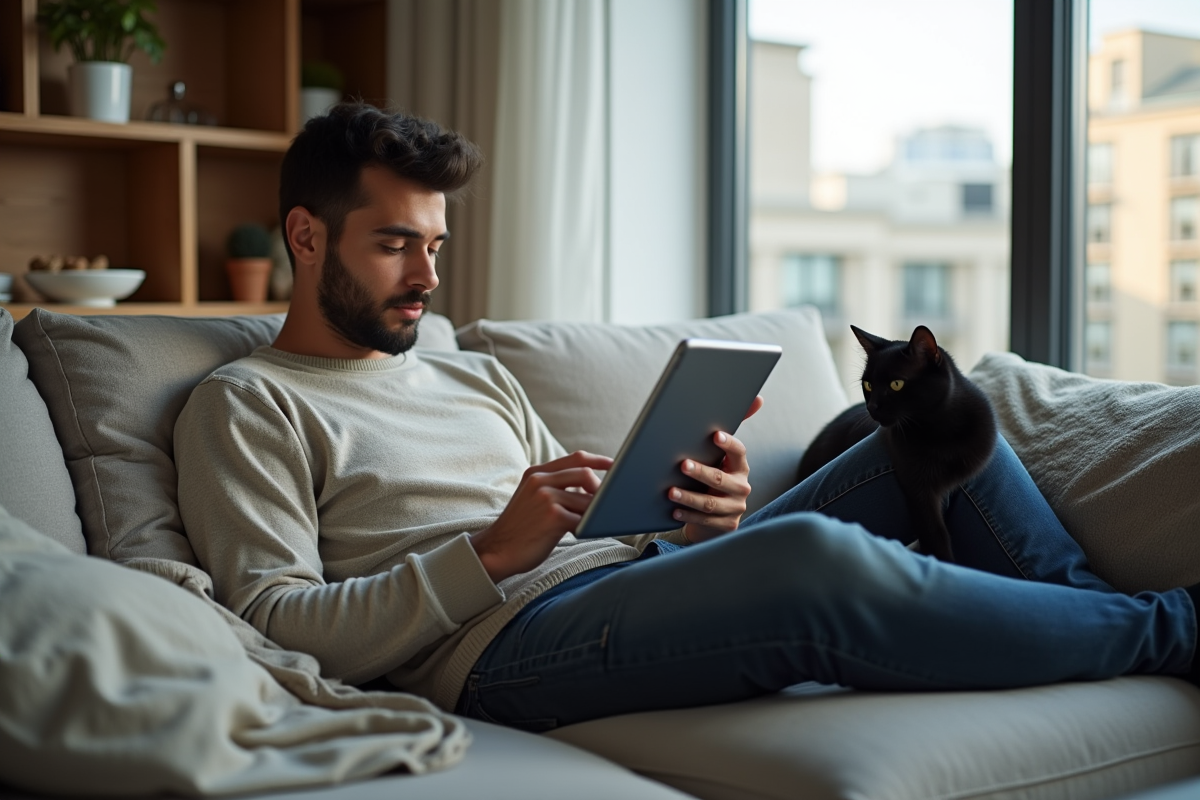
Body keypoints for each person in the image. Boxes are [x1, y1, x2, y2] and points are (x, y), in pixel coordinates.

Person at [174, 103, 1199, 732]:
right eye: (397, 244)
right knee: (809, 558)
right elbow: (275, 626)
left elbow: (591, 527)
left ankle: (1105, 622)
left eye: (435, 246)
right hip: (500, 650)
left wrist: (693, 517)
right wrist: (490, 554)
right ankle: (1172, 624)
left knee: (936, 428)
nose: (427, 277)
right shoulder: (247, 404)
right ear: (304, 238)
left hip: (621, 577)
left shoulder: (464, 372)